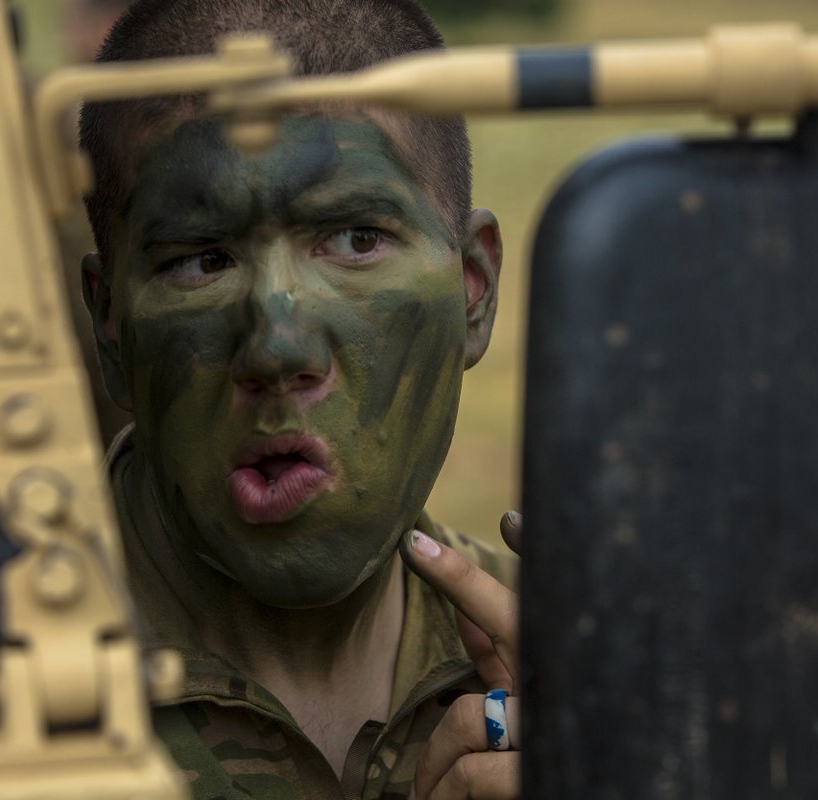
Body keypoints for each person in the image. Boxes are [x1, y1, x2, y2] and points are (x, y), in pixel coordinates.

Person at [78, 0, 520, 797]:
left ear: (473, 291)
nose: (278, 348)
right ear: (110, 324)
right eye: (200, 261)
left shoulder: (568, 662)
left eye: (356, 240)